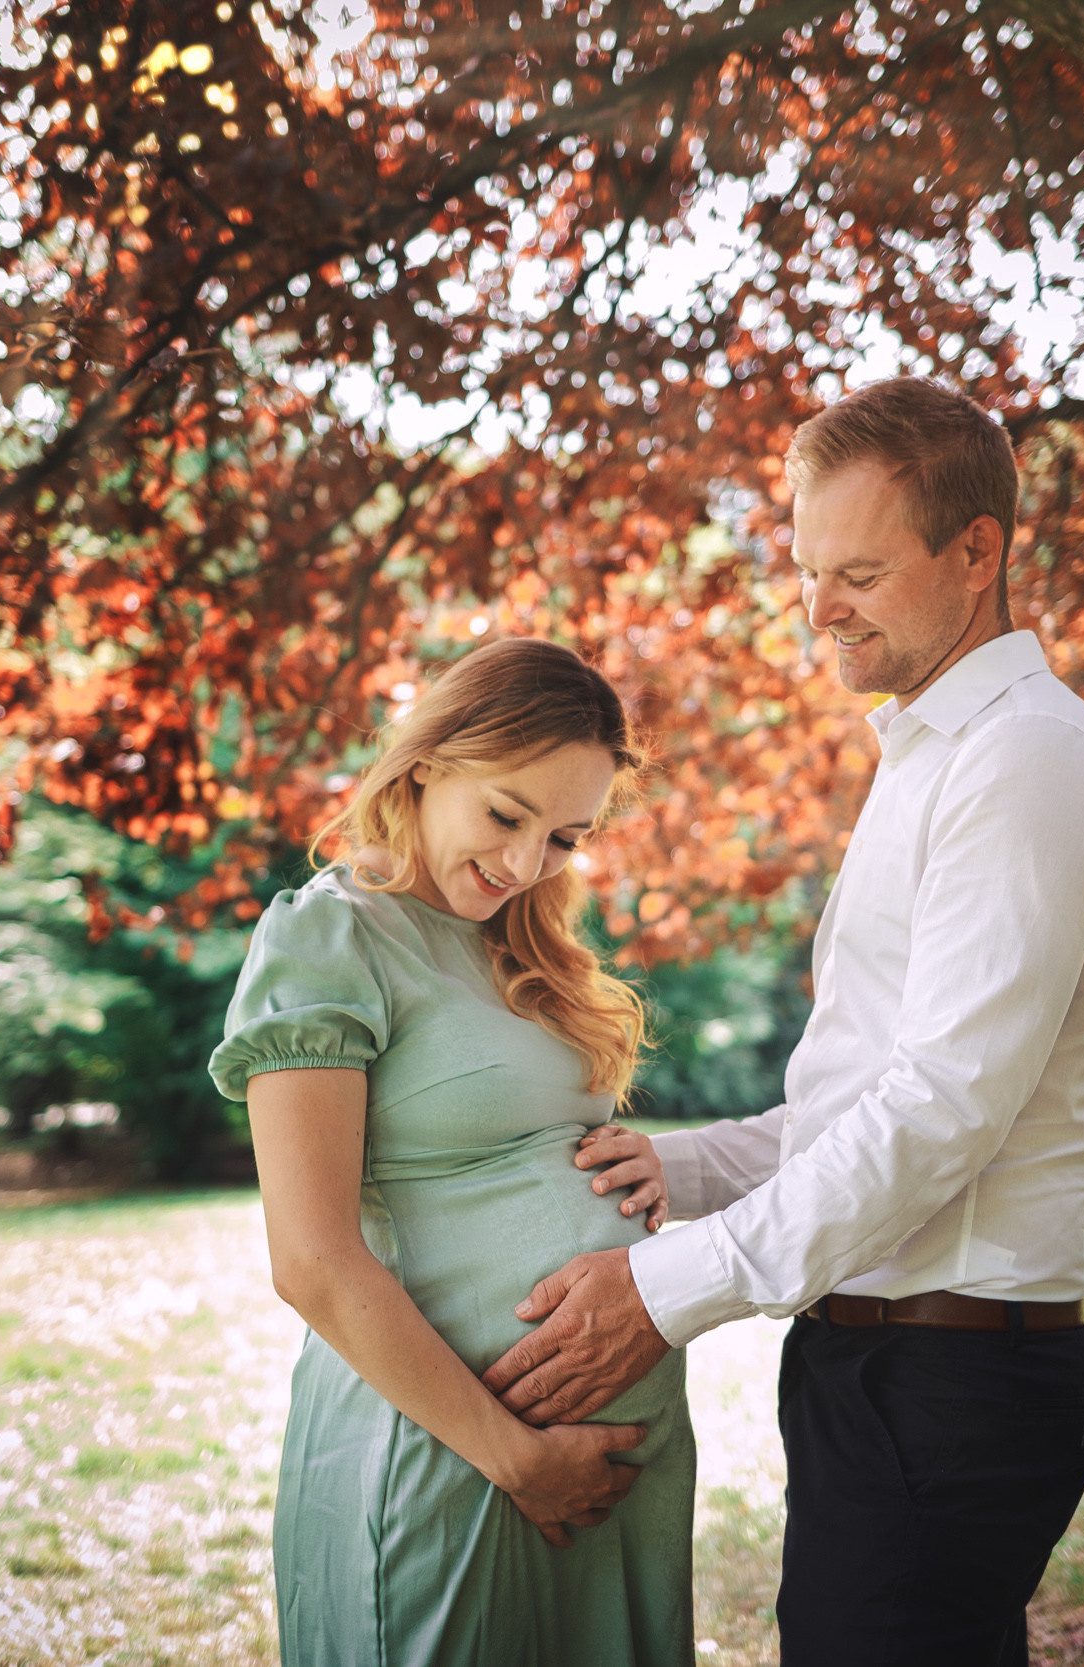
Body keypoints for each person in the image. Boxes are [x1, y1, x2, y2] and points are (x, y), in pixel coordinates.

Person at [482, 376, 1084, 1664]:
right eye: (806, 568)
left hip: (948, 1379)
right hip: (889, 1366)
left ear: (978, 553)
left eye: (857, 570)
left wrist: (663, 1289)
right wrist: (682, 1167)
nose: (818, 607)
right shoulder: (931, 754)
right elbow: (874, 1090)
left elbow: (944, 1108)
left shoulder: (1025, 761)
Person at [207, 636, 694, 1667]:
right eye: (506, 814)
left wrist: (635, 1162)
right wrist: (518, 1455)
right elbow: (312, 1259)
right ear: (427, 763)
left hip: (600, 1473)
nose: (524, 862)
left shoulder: (519, 947)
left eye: (565, 836)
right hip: (452, 1455)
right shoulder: (331, 937)